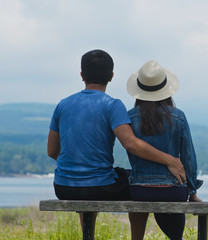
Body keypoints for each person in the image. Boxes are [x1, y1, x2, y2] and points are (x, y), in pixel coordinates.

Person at [47, 50, 186, 239]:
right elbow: (130, 143)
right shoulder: (112, 105)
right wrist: (169, 159)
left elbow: (52, 151)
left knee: (100, 184)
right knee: (136, 180)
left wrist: (78, 167)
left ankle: (88, 235)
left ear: (82, 75)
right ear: (111, 76)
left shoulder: (62, 105)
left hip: (63, 187)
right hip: (101, 187)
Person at [126, 60, 203, 240]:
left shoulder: (129, 117)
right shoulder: (178, 117)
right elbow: (188, 158)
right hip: (173, 189)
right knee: (172, 195)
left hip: (139, 190)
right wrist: (192, 191)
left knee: (155, 195)